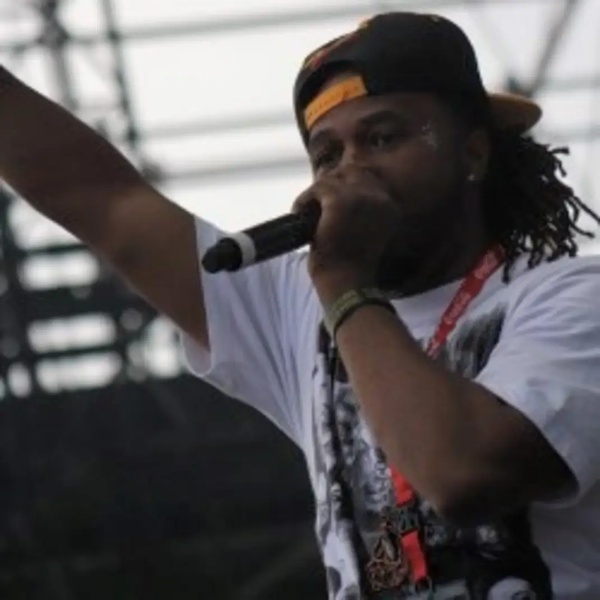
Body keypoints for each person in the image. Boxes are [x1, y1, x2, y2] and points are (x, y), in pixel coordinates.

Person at [1, 9, 599, 600]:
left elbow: (464, 473)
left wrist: (343, 281)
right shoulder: (299, 300)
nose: (349, 173)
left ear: (473, 154)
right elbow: (102, 201)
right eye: (327, 156)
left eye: (383, 138)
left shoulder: (572, 299)